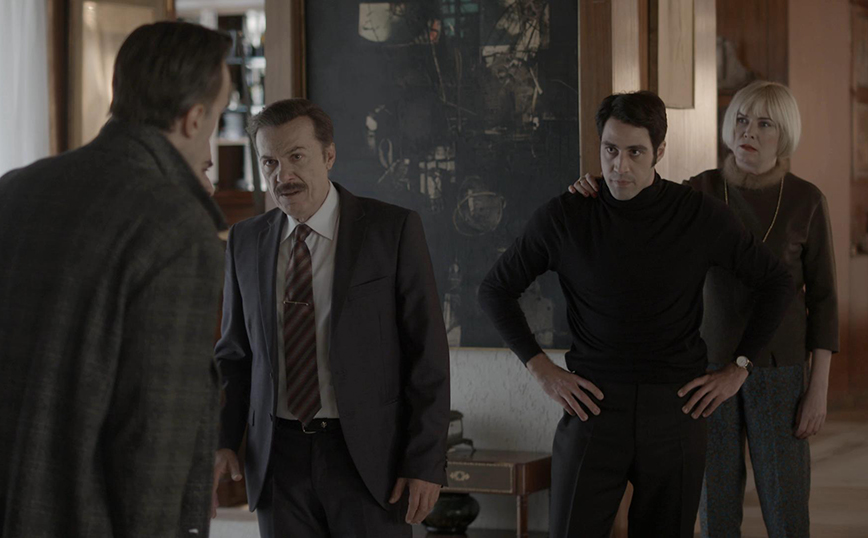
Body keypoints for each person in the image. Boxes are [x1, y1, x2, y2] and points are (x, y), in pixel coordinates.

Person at [478, 91, 795, 538]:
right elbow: (494, 290)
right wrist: (543, 370)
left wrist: (739, 368)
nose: (619, 166)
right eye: (610, 150)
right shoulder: (567, 215)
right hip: (591, 410)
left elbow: (777, 282)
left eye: (635, 152)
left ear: (659, 152)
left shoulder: (698, 215)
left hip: (677, 411)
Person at [571, 80, 838, 538]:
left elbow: (825, 300)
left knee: (786, 505)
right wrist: (596, 186)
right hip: (705, 368)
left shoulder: (807, 199)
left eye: (764, 124)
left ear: (785, 134)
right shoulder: (699, 189)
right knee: (714, 507)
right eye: (741, 119)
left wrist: (819, 389)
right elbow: (639, 200)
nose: (748, 131)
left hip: (779, 368)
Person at [0, 22, 231, 538]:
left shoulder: (14, 190)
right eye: (218, 115)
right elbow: (153, 445)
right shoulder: (176, 227)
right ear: (195, 118)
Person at [212, 98, 450, 538]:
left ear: (329, 156)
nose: (282, 175)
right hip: (278, 461)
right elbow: (235, 355)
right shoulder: (245, 240)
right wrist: (224, 440)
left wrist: (425, 461)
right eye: (269, 162)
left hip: (369, 461)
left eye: (296, 157)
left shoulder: (391, 230)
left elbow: (427, 355)